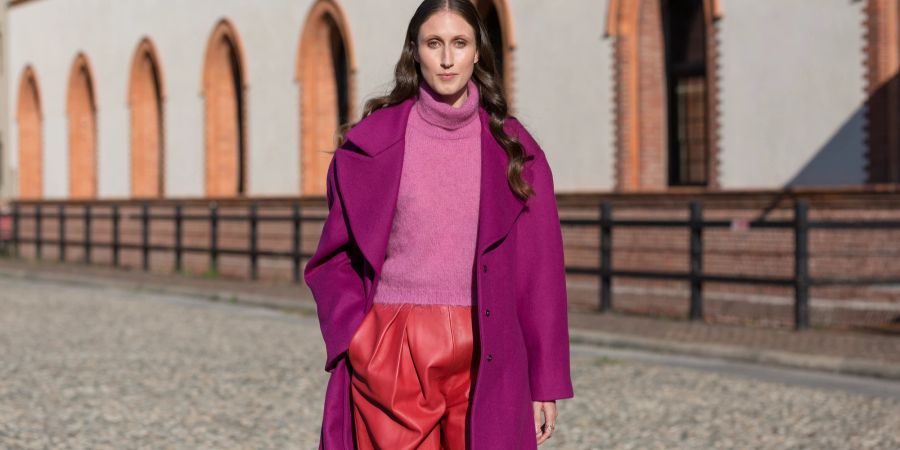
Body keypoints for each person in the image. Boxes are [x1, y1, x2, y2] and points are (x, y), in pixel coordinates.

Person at [303, 1, 574, 449]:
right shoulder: (371, 145)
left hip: (490, 349)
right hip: (394, 346)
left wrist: (544, 382)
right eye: (434, 43)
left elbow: (540, 274)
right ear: (415, 51)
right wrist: (358, 338)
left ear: (476, 53)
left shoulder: (516, 152)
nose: (447, 59)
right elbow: (333, 259)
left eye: (459, 43)